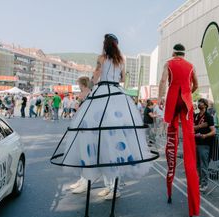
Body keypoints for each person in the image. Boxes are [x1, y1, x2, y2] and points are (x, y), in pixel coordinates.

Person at [60, 34, 156, 200]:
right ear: (116, 45)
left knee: (96, 135)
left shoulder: (101, 58)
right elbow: (123, 78)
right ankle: (111, 185)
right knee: (114, 137)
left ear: (104, 44)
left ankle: (112, 186)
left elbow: (96, 76)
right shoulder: (121, 60)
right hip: (117, 94)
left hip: (102, 93)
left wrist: (87, 90)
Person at [158, 43, 200, 217]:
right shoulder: (191, 66)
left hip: (174, 99)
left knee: (171, 144)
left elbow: (162, 81)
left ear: (173, 53)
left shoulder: (168, 63)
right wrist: (189, 93)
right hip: (186, 101)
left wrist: (160, 98)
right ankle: (192, 210)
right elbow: (196, 84)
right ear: (184, 53)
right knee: (190, 151)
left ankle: (169, 189)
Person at [194, 98, 216, 192]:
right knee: (197, 165)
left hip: (204, 144)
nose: (199, 104)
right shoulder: (196, 115)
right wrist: (199, 126)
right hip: (195, 143)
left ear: (205, 105)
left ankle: (205, 184)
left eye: (201, 103)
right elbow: (191, 127)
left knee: (204, 165)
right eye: (199, 102)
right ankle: (199, 182)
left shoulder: (208, 116)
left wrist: (205, 135)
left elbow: (213, 131)